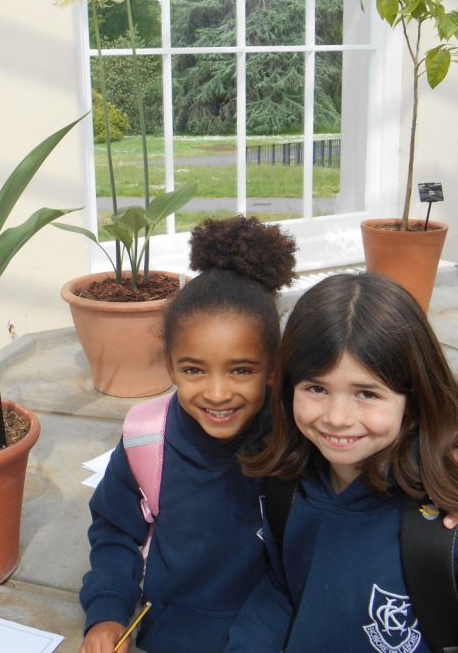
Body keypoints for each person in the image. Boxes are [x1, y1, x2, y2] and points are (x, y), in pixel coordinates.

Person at [227, 272, 458, 653]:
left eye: (367, 393)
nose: (337, 417)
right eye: (316, 388)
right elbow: (284, 590)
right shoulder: (285, 492)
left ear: (414, 396)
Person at [78, 215, 298, 653]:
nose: (217, 394)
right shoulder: (146, 440)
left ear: (273, 368)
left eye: (241, 370)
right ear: (170, 365)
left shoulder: (297, 442)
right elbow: (115, 532)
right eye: (194, 370)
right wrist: (106, 613)